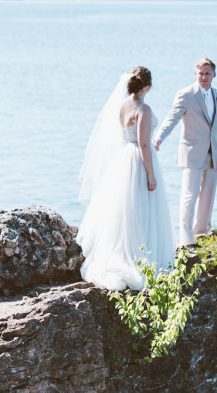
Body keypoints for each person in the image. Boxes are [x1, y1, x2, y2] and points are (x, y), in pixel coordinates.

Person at [76, 67, 176, 290]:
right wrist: (151, 173)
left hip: (122, 158)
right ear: (147, 87)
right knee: (142, 209)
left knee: (123, 210)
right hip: (138, 160)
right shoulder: (144, 109)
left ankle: (122, 250)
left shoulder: (121, 105)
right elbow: (143, 143)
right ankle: (140, 257)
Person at [153, 57, 217, 246]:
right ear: (195, 73)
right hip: (192, 154)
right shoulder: (186, 94)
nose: (204, 77)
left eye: (207, 73)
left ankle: (201, 233)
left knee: (208, 197)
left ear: (214, 75)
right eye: (201, 73)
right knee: (189, 196)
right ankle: (187, 240)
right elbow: (172, 118)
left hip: (213, 154)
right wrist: (159, 137)